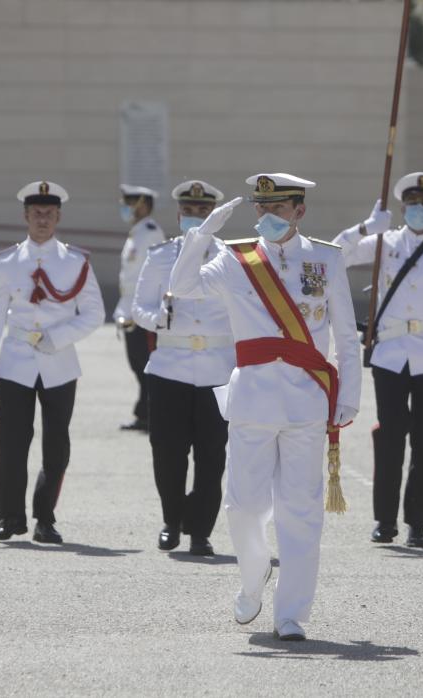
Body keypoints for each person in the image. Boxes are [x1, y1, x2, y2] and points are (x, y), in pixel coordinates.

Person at [168, 173, 360, 642]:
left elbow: (347, 336)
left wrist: (348, 396)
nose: (268, 217)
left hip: (307, 399)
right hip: (252, 398)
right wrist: (202, 235)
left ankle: (291, 613)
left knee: (301, 511)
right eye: (261, 208)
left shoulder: (325, 259)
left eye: (278, 208)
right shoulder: (234, 259)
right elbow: (182, 286)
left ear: (300, 210)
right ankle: (254, 576)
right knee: (242, 505)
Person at [331, 172, 423, 548]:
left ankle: (417, 523)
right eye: (411, 203)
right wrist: (364, 226)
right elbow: (336, 255)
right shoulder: (383, 241)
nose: (417, 209)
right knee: (391, 438)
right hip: (391, 354)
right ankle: (385, 520)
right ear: (400, 207)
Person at [0, 181, 105, 544]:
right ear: (25, 217)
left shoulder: (76, 261)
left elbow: (95, 313)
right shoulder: (7, 262)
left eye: (49, 214)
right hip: (16, 361)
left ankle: (45, 519)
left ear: (59, 217)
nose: (43, 220)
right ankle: (10, 517)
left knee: (56, 446)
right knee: (11, 443)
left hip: (59, 362)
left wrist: (58, 337)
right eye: (36, 214)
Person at [131, 180, 234, 556]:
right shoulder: (160, 255)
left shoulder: (231, 258)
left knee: (212, 455)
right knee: (168, 452)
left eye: (203, 212)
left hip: (218, 369)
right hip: (169, 367)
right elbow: (136, 309)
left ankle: (201, 530)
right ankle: (171, 520)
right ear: (179, 214)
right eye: (189, 211)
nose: (196, 218)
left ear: (213, 216)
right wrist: (159, 318)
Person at [113, 184, 164, 431]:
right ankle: (145, 412)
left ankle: (152, 415)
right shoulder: (137, 232)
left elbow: (156, 274)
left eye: (129, 203)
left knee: (145, 364)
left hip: (142, 310)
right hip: (130, 309)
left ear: (142, 205)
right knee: (137, 364)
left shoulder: (150, 233)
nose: (124, 208)